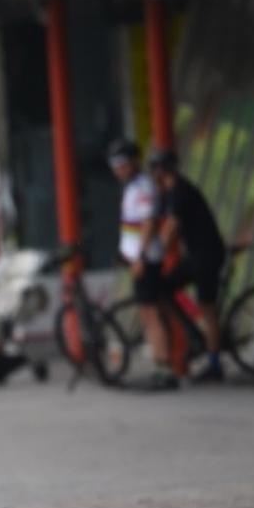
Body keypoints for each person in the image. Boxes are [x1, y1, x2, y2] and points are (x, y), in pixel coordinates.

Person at [147, 148, 227, 383]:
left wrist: (153, 254)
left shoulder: (180, 191)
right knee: (164, 288)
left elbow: (170, 228)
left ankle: (215, 363)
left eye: (155, 170)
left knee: (207, 308)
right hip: (195, 256)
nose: (154, 176)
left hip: (207, 255)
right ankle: (195, 335)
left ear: (162, 170)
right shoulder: (170, 192)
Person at [107, 138, 169, 385]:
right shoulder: (132, 188)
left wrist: (140, 257)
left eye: (122, 164)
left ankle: (164, 368)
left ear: (133, 163)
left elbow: (149, 223)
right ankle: (161, 361)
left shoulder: (143, 187)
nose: (118, 169)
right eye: (114, 165)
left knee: (151, 314)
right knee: (148, 312)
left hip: (146, 260)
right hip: (135, 259)